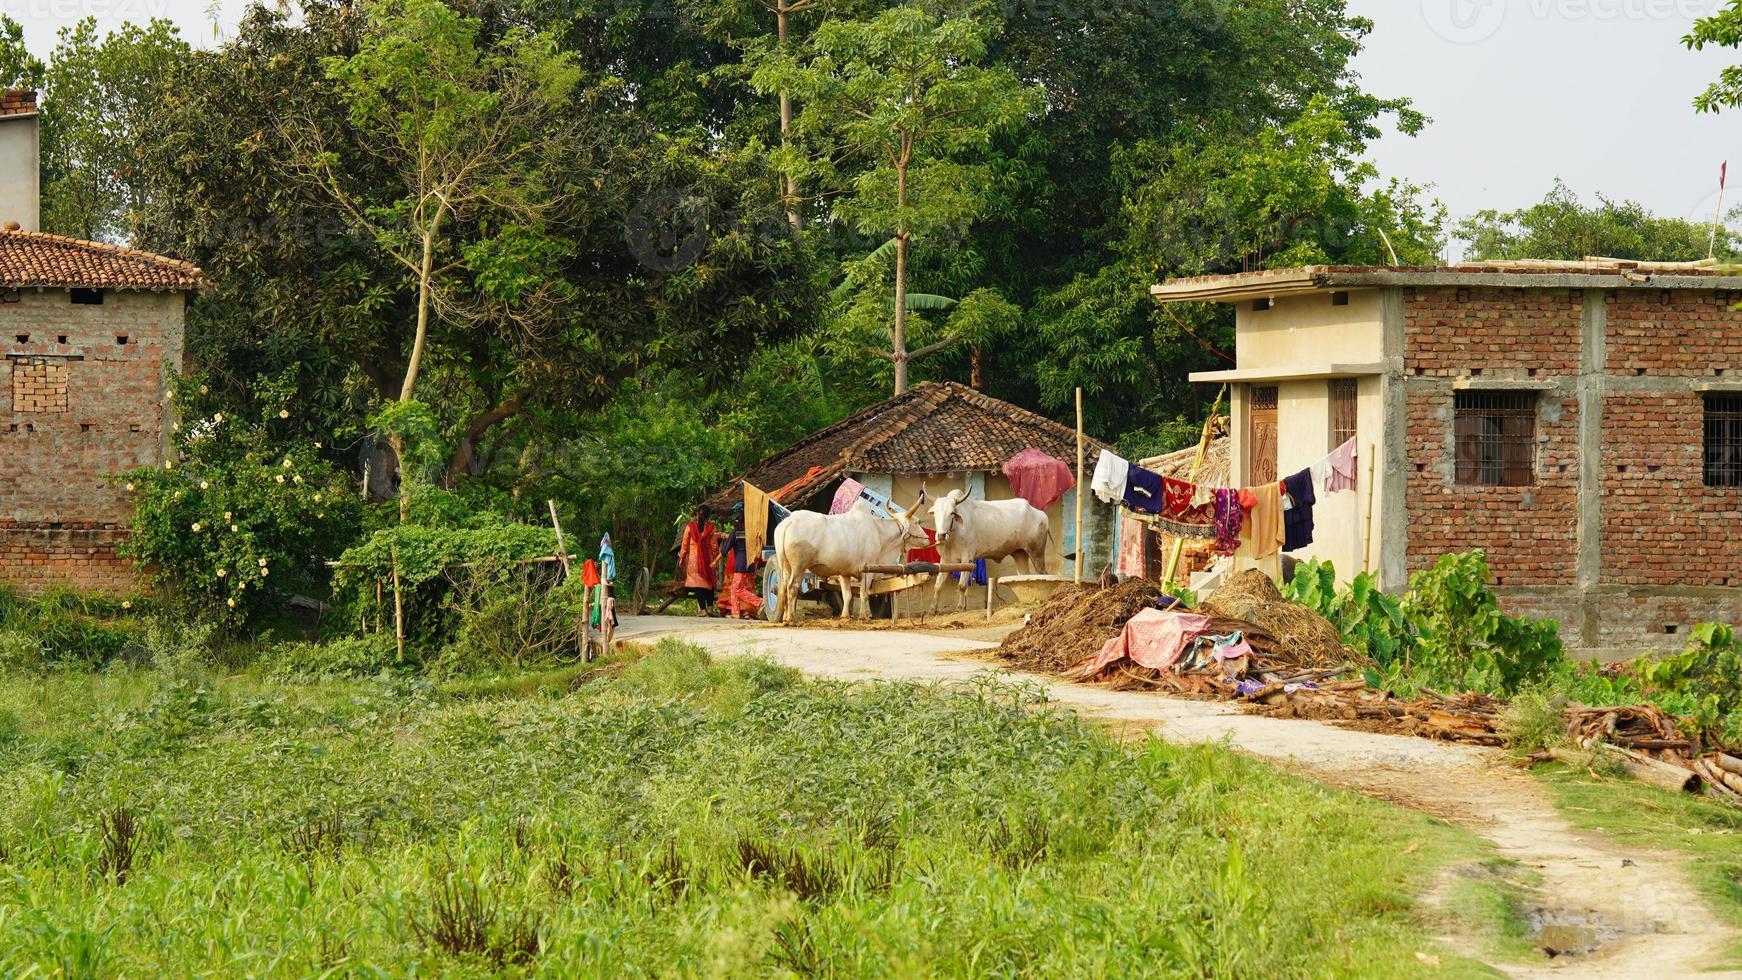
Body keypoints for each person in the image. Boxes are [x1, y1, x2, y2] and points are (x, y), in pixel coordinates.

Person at [676, 504, 725, 616]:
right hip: (708, 559)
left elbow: (684, 544)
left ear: (697, 514)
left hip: (694, 561)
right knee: (709, 582)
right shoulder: (711, 528)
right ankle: (710, 608)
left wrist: (682, 557)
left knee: (697, 584)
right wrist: (715, 559)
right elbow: (714, 546)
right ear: (709, 516)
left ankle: (702, 609)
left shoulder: (690, 527)